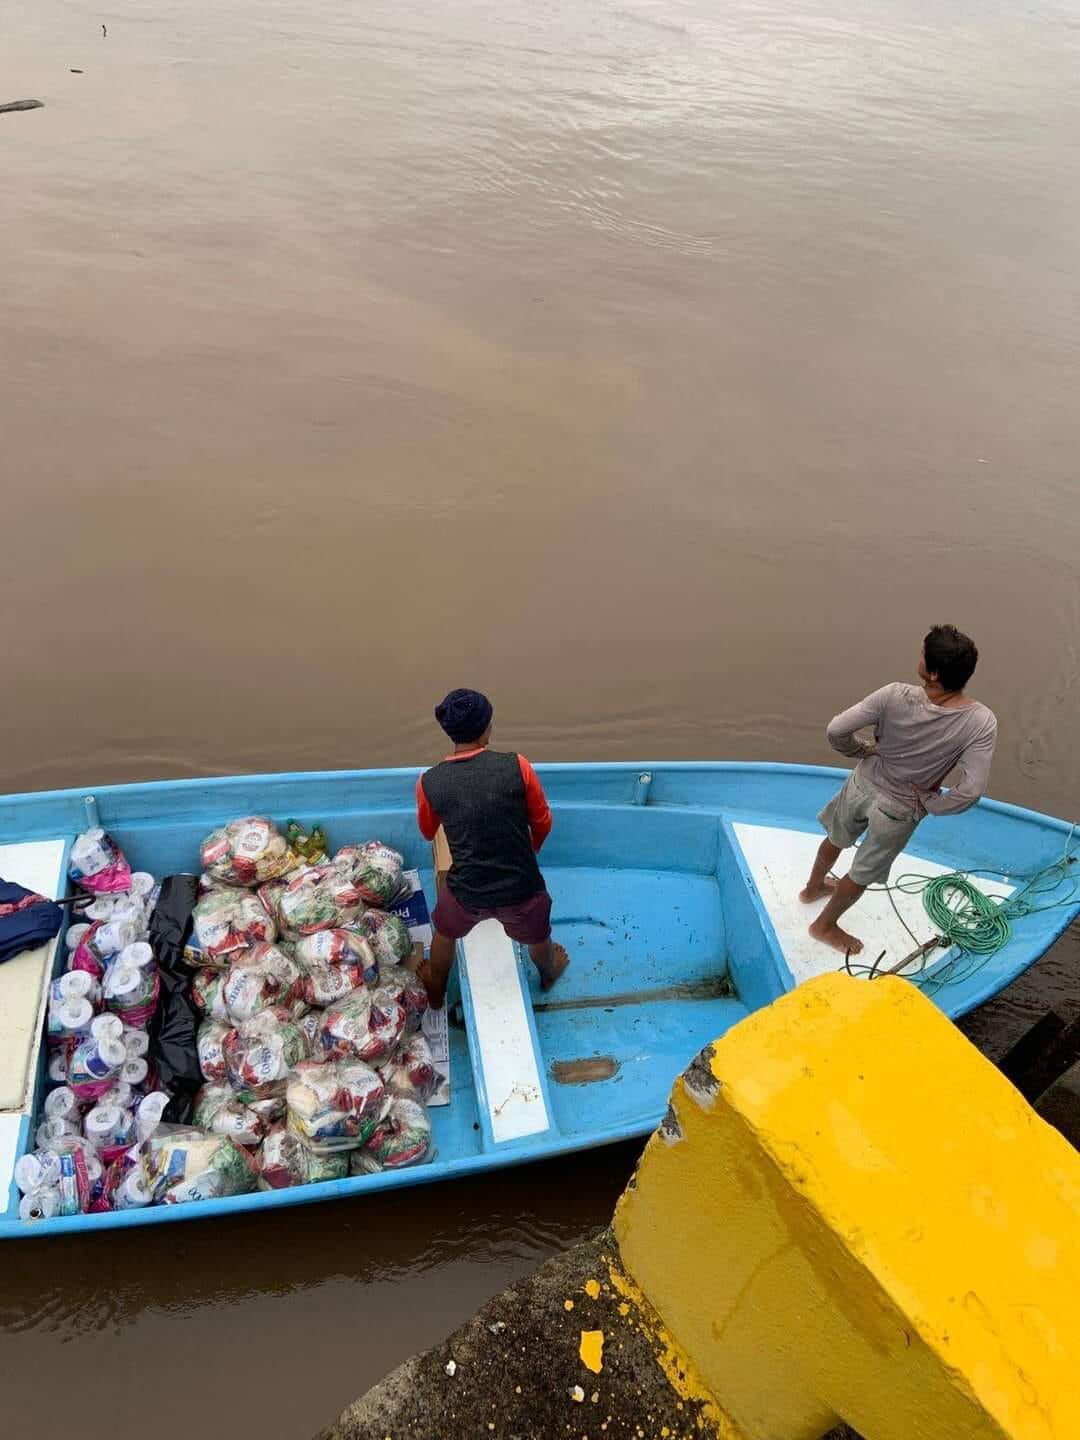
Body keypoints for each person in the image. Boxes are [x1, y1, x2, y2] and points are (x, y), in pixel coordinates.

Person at [800, 625, 997, 956]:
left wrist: (861, 751)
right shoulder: (980, 721)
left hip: (862, 784)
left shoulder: (893, 694)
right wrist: (934, 803)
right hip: (901, 808)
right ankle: (825, 923)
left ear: (932, 673)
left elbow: (837, 730)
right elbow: (972, 789)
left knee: (836, 836)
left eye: (922, 653)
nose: (917, 655)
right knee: (862, 871)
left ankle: (813, 890)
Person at [414, 688, 570, 1008]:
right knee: (539, 936)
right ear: (487, 728)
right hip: (521, 888)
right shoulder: (518, 766)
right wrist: (530, 853)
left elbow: (428, 832)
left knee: (444, 932)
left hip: (466, 891)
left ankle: (436, 986)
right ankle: (549, 972)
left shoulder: (429, 781)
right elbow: (542, 822)